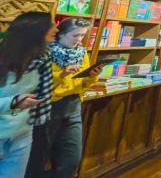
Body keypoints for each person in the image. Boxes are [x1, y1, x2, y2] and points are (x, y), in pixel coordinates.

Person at [27, 18, 100, 178]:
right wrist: (62, 74)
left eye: (82, 36)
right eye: (76, 35)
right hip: (49, 107)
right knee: (38, 157)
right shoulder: (45, 53)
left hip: (73, 105)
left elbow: (83, 83)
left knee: (71, 159)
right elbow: (36, 86)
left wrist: (92, 77)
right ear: (61, 34)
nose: (79, 40)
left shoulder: (81, 53)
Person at [0, 12, 56, 177]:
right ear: (34, 31)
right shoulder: (3, 60)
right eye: (52, 24)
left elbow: (42, 94)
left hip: (22, 132)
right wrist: (13, 102)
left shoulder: (42, 60)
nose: (57, 28)